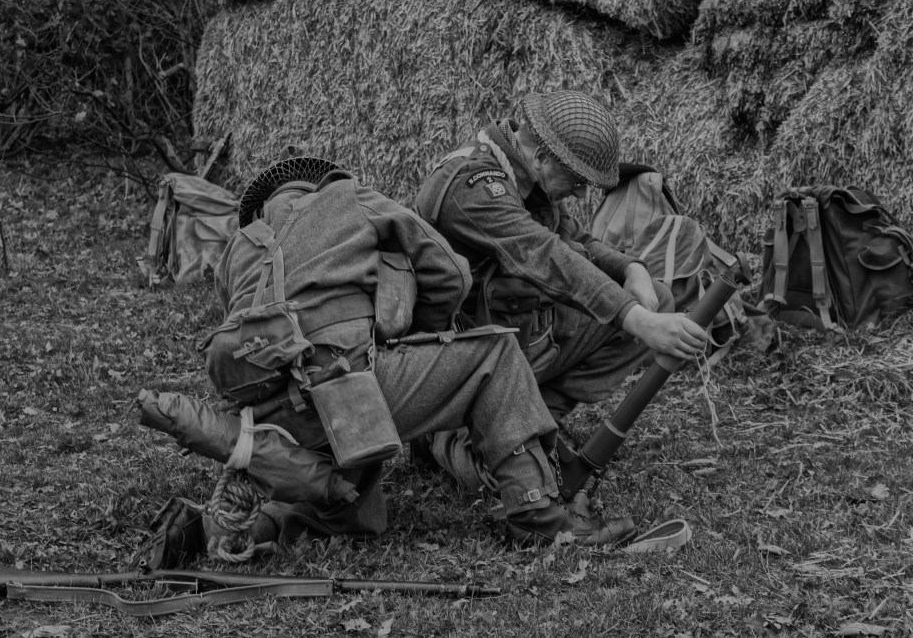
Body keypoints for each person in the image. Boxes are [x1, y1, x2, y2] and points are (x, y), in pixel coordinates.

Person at [146, 156, 655, 567]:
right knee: (493, 355)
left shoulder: (238, 249)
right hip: (350, 391)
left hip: (272, 418)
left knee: (354, 516)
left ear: (264, 205)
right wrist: (420, 335)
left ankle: (208, 531)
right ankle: (540, 518)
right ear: (318, 181)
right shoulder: (349, 198)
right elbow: (451, 273)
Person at [413, 90, 709, 488]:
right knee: (505, 482)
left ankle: (536, 418)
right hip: (463, 359)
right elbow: (547, 255)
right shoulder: (474, 189)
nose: (583, 194)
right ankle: (445, 435)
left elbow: (574, 239)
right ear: (543, 157)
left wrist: (631, 268)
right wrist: (637, 320)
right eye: (579, 181)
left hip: (520, 336)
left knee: (655, 297)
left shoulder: (526, 170)